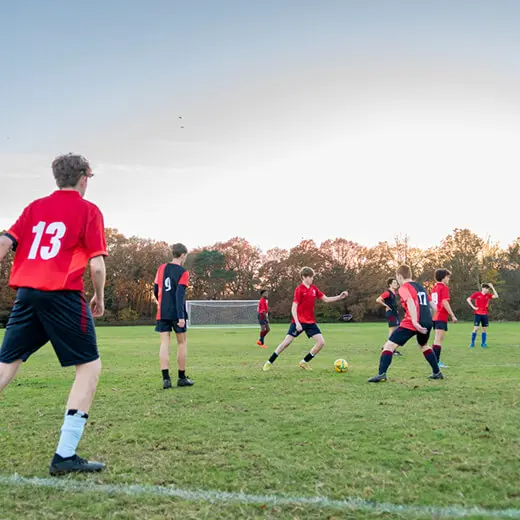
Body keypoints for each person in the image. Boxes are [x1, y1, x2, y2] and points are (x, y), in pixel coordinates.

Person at [0, 153, 107, 475]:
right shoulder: (89, 210)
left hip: (27, 295)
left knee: (6, 365)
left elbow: (4, 242)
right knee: (89, 367)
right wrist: (99, 297)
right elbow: (97, 264)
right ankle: (65, 455)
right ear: (84, 177)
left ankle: (66, 454)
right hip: (62, 296)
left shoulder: (35, 207)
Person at [262, 267, 348, 371]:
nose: (312, 279)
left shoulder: (314, 289)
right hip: (298, 322)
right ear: (304, 277)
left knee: (321, 343)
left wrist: (339, 297)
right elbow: (294, 307)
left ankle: (304, 362)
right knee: (286, 343)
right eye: (310, 277)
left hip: (310, 322)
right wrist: (297, 323)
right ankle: (269, 362)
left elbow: (325, 299)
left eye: (312, 277)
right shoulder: (299, 290)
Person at [368, 264, 443, 383]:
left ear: (399, 276)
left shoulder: (404, 288)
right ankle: (437, 372)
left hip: (411, 322)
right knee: (424, 346)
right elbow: (434, 307)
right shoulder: (421, 287)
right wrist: (430, 321)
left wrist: (414, 321)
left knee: (389, 346)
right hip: (427, 321)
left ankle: (381, 374)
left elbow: (410, 302)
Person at [154, 243, 193, 388]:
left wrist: (162, 304)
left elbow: (155, 289)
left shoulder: (161, 268)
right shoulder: (183, 272)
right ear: (182, 255)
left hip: (162, 312)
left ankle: (166, 380)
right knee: (182, 343)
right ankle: (181, 378)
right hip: (177, 313)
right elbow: (179, 295)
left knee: (164, 343)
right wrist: (181, 316)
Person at [430, 268, 457, 368]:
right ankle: (436, 363)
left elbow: (433, 303)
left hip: (435, 316)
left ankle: (435, 362)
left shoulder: (434, 288)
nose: (448, 279)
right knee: (438, 340)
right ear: (443, 277)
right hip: (441, 316)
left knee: (437, 339)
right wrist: (452, 315)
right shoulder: (444, 288)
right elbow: (445, 302)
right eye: (447, 277)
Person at [467, 283, 499, 348]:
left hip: (485, 314)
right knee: (476, 329)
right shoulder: (477, 294)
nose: (487, 290)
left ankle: (483, 344)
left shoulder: (488, 295)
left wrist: (492, 287)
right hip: (478, 314)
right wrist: (473, 307)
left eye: (488, 289)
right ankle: (472, 343)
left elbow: (496, 296)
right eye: (486, 288)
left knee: (484, 329)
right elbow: (468, 299)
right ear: (482, 288)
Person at [376, 278, 402, 355]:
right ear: (390, 284)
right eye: (394, 283)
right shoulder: (387, 293)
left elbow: (393, 304)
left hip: (394, 314)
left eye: (396, 283)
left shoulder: (394, 293)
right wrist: (386, 306)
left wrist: (395, 310)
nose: (396, 284)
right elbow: (378, 300)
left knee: (397, 330)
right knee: (393, 331)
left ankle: (386, 346)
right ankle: (389, 349)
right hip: (390, 314)